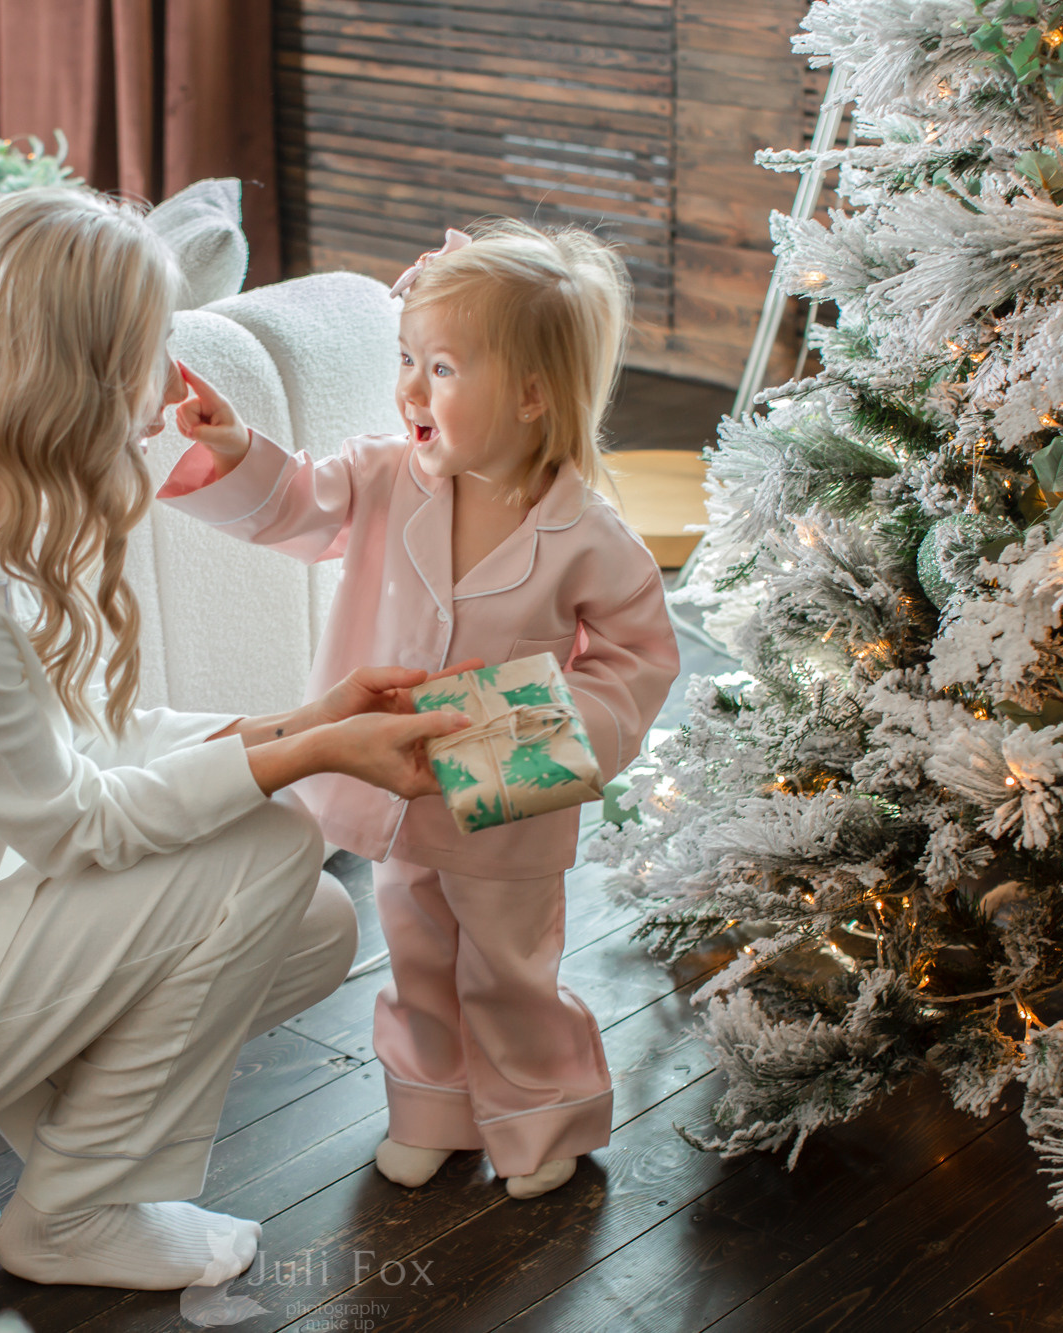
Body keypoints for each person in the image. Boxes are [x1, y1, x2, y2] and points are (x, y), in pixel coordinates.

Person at [0, 186, 472, 1291]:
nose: (170, 390)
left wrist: (310, 718)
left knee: (311, 923)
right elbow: (79, 823)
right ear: (73, 380)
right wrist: (305, 756)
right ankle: (78, 1212)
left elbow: (67, 739)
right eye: (152, 354)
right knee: (276, 842)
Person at [158, 220, 680, 1200]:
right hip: (394, 789)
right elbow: (298, 505)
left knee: (508, 969)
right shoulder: (383, 477)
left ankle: (540, 1116)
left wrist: (515, 749)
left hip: (508, 796)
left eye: (438, 367)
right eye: (405, 359)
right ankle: (430, 1109)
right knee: (414, 954)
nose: (407, 388)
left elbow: (637, 661)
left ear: (531, 394)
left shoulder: (588, 535)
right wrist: (231, 451)